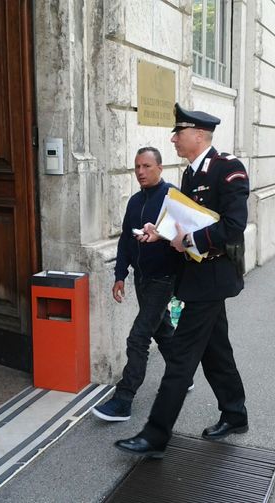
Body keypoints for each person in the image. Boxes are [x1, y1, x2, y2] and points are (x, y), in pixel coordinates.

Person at [114, 103, 249, 459]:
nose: (173, 139)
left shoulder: (228, 168)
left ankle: (155, 434)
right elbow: (188, 219)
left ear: (199, 135)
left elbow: (233, 226)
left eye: (179, 132)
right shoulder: (191, 173)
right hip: (198, 276)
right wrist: (160, 232)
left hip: (213, 277)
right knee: (216, 351)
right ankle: (235, 414)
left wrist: (188, 240)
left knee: (180, 360)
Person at [92, 147, 180, 422]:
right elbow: (125, 241)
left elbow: (184, 236)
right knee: (162, 329)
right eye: (137, 166)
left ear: (160, 168)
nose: (140, 172)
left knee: (138, 337)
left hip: (164, 279)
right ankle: (182, 374)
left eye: (146, 166)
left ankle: (123, 399)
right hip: (141, 278)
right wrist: (120, 275)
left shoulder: (172, 198)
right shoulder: (134, 201)